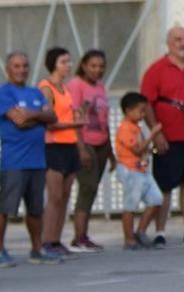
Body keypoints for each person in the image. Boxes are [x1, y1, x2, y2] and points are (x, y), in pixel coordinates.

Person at [0, 52, 59, 267]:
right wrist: (38, 116)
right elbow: (19, 121)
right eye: (16, 66)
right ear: (8, 69)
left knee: (36, 209)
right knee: (5, 207)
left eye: (25, 66)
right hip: (14, 161)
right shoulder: (3, 93)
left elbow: (53, 117)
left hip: (37, 160)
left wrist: (31, 115)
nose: (21, 70)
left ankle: (37, 249)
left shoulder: (35, 92)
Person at [141, 26, 184, 248]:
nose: (181, 43)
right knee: (165, 186)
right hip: (169, 137)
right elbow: (147, 102)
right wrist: (156, 133)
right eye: (177, 39)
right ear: (169, 43)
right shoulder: (157, 69)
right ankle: (160, 231)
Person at [38, 47, 84, 258]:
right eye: (64, 62)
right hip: (53, 145)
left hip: (69, 144)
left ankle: (56, 239)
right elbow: (49, 123)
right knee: (54, 196)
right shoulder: (46, 88)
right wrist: (74, 123)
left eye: (69, 61)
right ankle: (46, 240)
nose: (68, 65)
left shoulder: (66, 89)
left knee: (65, 196)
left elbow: (72, 117)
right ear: (53, 64)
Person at [67, 50, 113, 252]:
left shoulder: (101, 87)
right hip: (85, 142)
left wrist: (110, 150)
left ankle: (84, 234)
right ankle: (78, 237)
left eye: (101, 66)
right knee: (87, 187)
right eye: (93, 66)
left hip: (101, 142)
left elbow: (104, 119)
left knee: (92, 189)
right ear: (84, 65)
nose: (97, 70)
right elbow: (73, 117)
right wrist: (80, 147)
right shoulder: (76, 85)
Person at [114, 92, 164, 249]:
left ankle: (141, 231)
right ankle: (129, 239)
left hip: (142, 170)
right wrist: (153, 135)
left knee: (156, 199)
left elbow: (142, 149)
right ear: (128, 111)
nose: (143, 115)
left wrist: (151, 149)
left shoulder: (136, 128)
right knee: (131, 205)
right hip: (131, 170)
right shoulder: (125, 129)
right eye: (140, 111)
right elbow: (136, 149)